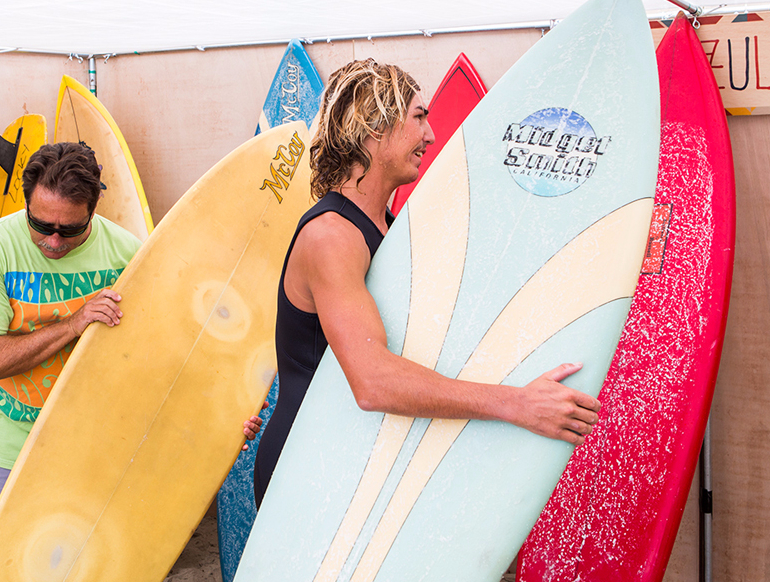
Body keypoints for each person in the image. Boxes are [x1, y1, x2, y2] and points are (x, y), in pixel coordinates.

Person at [253, 59, 601, 505]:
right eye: (418, 117)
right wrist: (515, 405)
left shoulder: (385, 228)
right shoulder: (332, 236)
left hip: (348, 461)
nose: (430, 136)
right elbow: (373, 381)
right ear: (372, 126)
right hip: (303, 473)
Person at [0, 142, 261, 550]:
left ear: (93, 210)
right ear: (27, 203)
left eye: (71, 229)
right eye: (42, 226)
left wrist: (220, 420)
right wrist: (74, 324)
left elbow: (165, 360)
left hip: (102, 450)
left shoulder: (126, 254)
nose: (54, 242)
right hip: (14, 453)